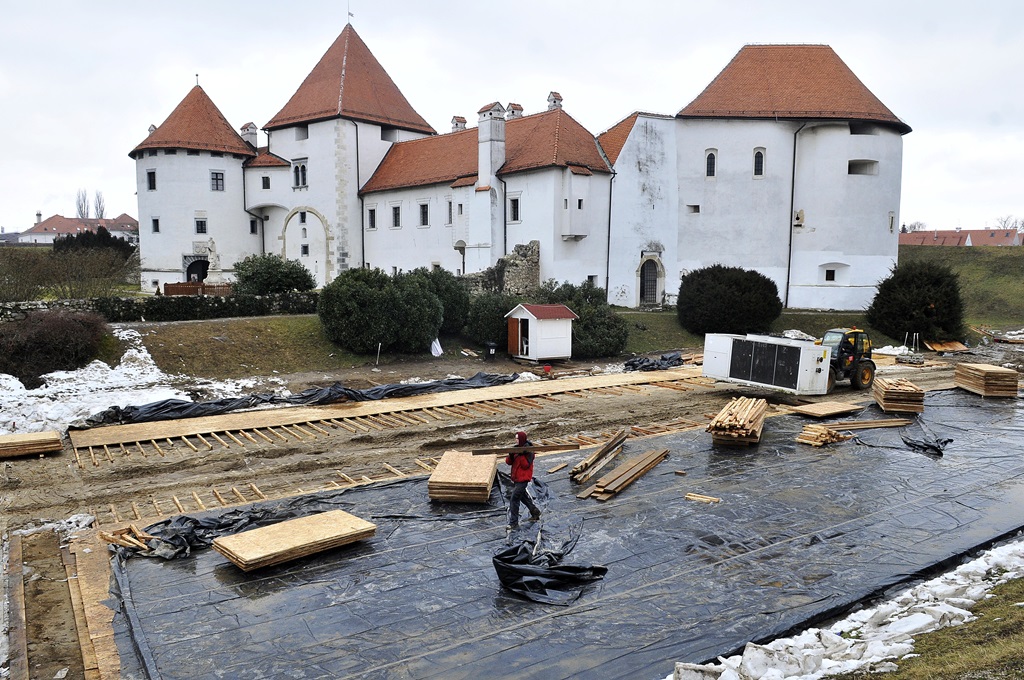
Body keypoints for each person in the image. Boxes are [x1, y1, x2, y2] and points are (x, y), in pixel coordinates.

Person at [505, 431, 541, 530]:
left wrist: (521, 455)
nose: (515, 440)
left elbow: (525, 465)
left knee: (514, 499)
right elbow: (508, 462)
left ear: (521, 439)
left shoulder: (529, 451)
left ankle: (513, 523)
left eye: (517, 438)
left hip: (523, 479)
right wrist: (511, 455)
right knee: (523, 497)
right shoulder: (516, 449)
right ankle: (535, 511)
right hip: (516, 479)